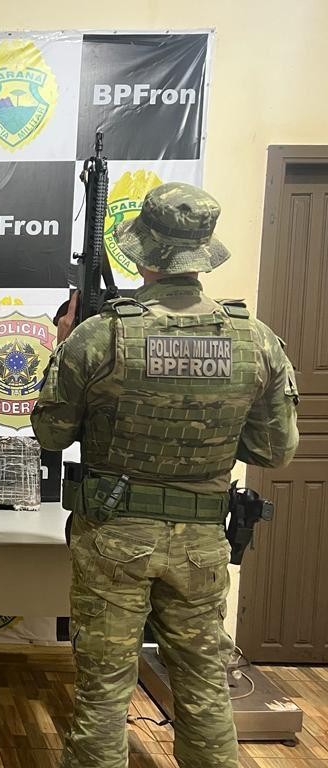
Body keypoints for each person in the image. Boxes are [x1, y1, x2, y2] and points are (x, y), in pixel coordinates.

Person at [32, 182, 299, 768]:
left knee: (104, 694)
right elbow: (274, 450)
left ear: (144, 253)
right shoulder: (254, 339)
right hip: (202, 544)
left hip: (113, 539)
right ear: (202, 253)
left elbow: (51, 434)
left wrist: (63, 345)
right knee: (205, 688)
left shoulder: (101, 336)